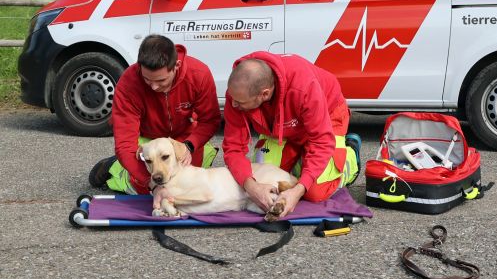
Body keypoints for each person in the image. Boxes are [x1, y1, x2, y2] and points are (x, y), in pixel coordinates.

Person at [222, 51, 361, 218]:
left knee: (315, 192)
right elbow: (233, 147)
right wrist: (251, 187)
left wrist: (298, 190)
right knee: (265, 182)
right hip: (285, 127)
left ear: (264, 94)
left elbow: (321, 140)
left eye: (240, 102)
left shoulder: (303, 86)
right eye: (232, 99)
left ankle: (350, 156)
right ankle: (301, 160)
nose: (233, 105)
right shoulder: (239, 92)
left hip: (327, 117)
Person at [89, 34, 221, 208]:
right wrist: (151, 185)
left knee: (189, 185)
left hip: (184, 139)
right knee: (147, 190)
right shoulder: (128, 84)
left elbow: (210, 120)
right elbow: (125, 144)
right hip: (148, 141)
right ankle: (115, 169)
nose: (154, 87)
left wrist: (190, 145)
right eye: (147, 80)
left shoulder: (199, 74)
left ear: (176, 66)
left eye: (161, 80)